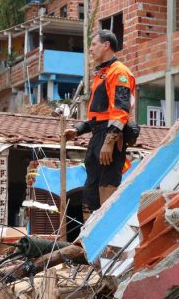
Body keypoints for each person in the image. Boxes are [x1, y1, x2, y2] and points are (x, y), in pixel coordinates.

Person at [64, 30, 135, 221]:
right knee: (90, 190)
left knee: (107, 187)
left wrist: (110, 141)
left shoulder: (119, 72)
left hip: (110, 136)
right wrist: (78, 130)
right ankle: (87, 238)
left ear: (106, 45)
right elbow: (99, 115)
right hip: (97, 136)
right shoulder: (101, 74)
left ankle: (107, 235)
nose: (90, 49)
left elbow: (120, 111)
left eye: (93, 44)